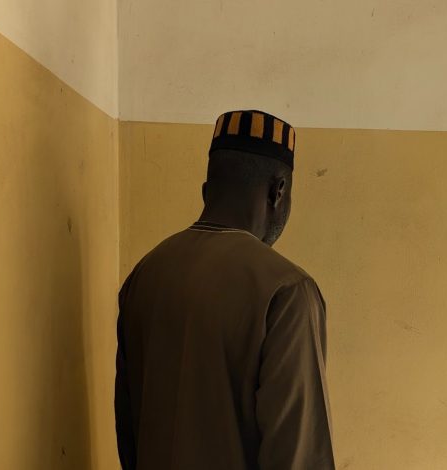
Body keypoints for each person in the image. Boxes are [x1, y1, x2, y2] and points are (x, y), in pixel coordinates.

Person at [115, 110, 335, 470]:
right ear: (278, 192)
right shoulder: (287, 292)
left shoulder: (145, 276)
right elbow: (300, 457)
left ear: (207, 190)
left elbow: (129, 433)